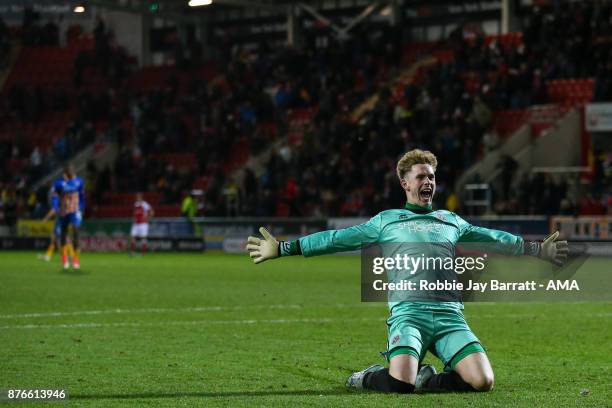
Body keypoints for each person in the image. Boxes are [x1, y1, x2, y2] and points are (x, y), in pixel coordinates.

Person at [246, 149, 568, 394]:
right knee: (400, 384)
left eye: (431, 177)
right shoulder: (386, 221)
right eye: (421, 176)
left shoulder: (450, 221)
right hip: (408, 315)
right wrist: (285, 248)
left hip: (449, 316)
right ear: (405, 183)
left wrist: (536, 249)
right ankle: (367, 377)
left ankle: (429, 379)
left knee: (483, 381)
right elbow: (336, 239)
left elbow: (492, 238)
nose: (428, 181)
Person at [52, 164, 85, 270]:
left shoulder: (79, 181)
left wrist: (81, 207)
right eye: (70, 173)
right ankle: (64, 258)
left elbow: (82, 195)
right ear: (65, 174)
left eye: (73, 173)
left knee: (76, 231)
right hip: (64, 211)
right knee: (63, 234)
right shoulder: (58, 183)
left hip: (75, 211)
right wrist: (56, 207)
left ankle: (75, 259)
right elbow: (55, 196)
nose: (72, 175)